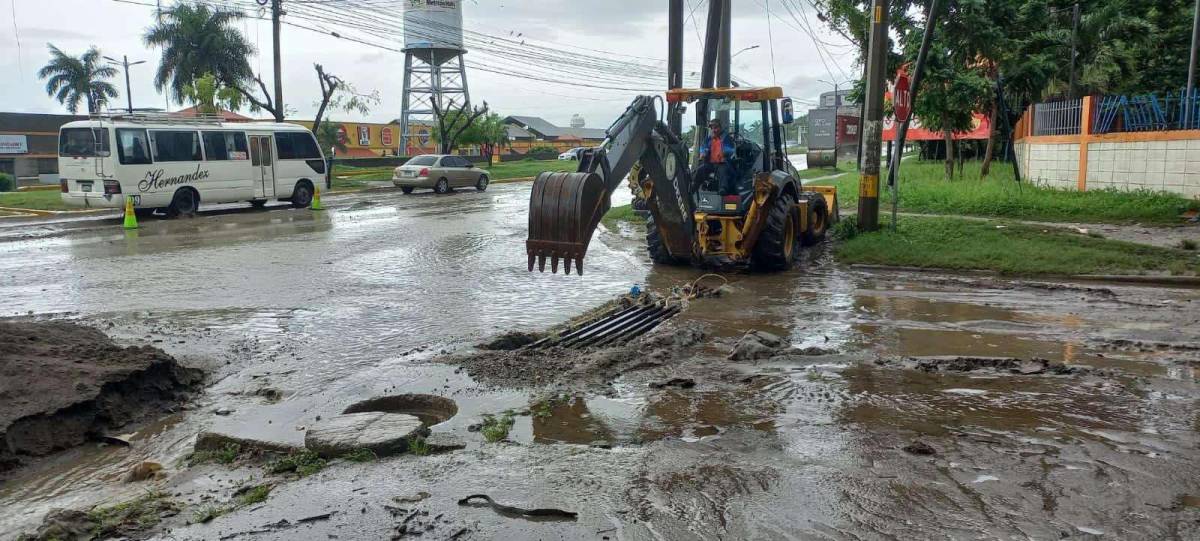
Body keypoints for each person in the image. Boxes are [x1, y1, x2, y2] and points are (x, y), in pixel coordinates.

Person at [696, 118, 738, 195]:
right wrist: (703, 152)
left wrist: (723, 152)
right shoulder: (709, 138)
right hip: (711, 164)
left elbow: (731, 149)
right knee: (700, 170)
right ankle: (694, 187)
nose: (714, 130)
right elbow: (703, 147)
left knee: (723, 171)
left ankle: (723, 189)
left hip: (723, 163)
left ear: (720, 127)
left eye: (716, 128)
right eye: (712, 128)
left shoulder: (726, 138)